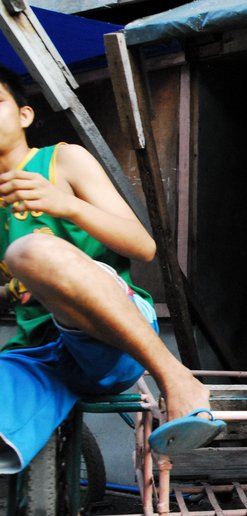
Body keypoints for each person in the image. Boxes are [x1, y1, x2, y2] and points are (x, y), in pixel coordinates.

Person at [0, 66, 218, 475]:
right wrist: (16, 288)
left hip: (113, 336)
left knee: (30, 250)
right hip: (39, 353)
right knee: (25, 258)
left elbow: (143, 247)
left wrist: (66, 205)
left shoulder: (61, 160)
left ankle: (177, 378)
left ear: (24, 115)